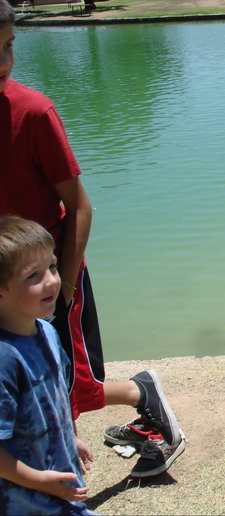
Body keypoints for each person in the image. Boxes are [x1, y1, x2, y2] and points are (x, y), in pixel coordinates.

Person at [0, 0, 184, 478]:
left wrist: (64, 283)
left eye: (8, 46)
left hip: (47, 276)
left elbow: (79, 205)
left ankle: (73, 462)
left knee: (66, 379)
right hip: (3, 282)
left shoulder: (33, 112)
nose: (3, 62)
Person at [0, 215, 94, 514]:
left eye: (52, 267)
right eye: (33, 276)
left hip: (57, 487)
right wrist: (38, 480)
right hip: (24, 500)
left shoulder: (48, 332)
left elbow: (54, 402)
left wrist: (68, 439)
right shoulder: (5, 359)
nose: (52, 280)